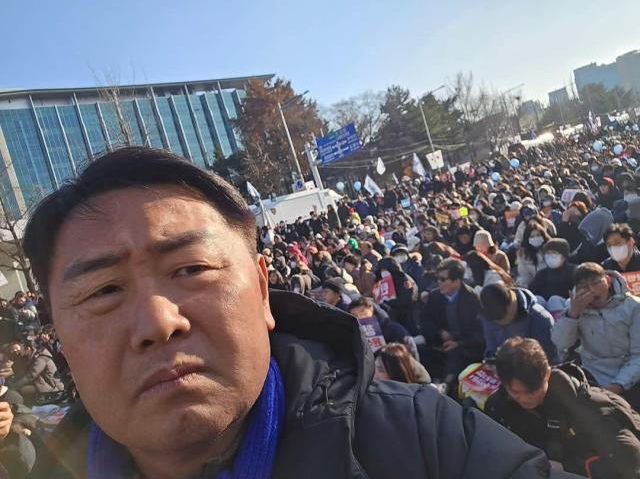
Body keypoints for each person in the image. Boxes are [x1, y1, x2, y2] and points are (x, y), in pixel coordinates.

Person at [24, 147, 575, 479]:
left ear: (264, 289)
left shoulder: (421, 438)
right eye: (102, 291)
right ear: (59, 338)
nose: (158, 321)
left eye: (190, 269)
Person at [486, 337, 640, 478]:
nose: (525, 399)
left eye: (532, 391)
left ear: (547, 374)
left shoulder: (590, 406)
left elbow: (631, 459)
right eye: (516, 392)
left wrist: (568, 468)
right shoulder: (498, 409)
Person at [552, 262, 640, 410]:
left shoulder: (632, 306)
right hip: (593, 373)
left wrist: (617, 386)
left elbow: (638, 355)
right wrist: (573, 314)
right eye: (584, 286)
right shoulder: (574, 305)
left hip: (629, 374)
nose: (591, 290)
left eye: (596, 282)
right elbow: (561, 343)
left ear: (608, 280)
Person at [419, 259, 485, 384]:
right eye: (438, 279)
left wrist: (459, 344)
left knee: (455, 356)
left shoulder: (473, 299)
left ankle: (446, 386)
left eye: (443, 279)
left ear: (457, 281)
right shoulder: (435, 296)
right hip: (440, 344)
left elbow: (480, 333)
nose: (439, 283)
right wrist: (439, 332)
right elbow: (424, 320)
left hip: (465, 347)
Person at [480, 283, 558, 362]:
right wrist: (492, 360)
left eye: (503, 317)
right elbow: (491, 346)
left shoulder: (539, 318)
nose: (499, 322)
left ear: (510, 304)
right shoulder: (488, 316)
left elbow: (548, 358)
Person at [6, 339, 64, 404]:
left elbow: (31, 376)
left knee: (22, 390)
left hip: (52, 387)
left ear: (28, 349)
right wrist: (14, 381)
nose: (20, 351)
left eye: (21, 349)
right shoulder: (32, 357)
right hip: (41, 383)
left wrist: (14, 386)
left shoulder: (41, 358)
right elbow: (24, 373)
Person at [516, 221, 551, 288]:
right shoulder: (522, 254)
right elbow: (524, 274)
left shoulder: (550, 249)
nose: (535, 238)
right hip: (534, 287)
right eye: (532, 236)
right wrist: (523, 283)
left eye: (538, 235)